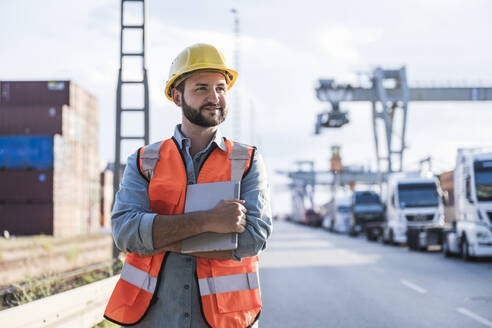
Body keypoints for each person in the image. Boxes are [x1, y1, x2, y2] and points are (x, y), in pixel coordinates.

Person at [104, 43, 272, 328]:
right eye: (201, 88)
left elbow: (253, 238)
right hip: (154, 318)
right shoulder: (145, 161)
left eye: (221, 88)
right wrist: (211, 221)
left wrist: (159, 239)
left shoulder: (246, 160)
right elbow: (125, 233)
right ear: (176, 96)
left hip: (226, 319)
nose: (214, 97)